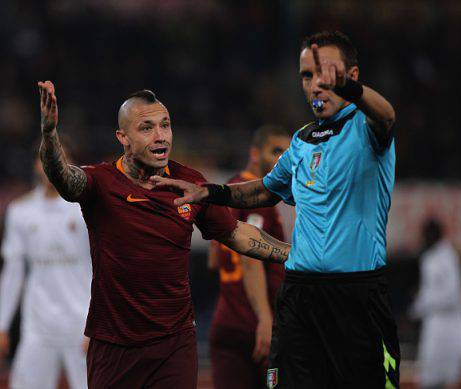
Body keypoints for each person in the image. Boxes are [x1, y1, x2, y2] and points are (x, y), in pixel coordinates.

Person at [151, 31, 400, 388]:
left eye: (326, 74)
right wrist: (210, 192)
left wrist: (350, 91)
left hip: (357, 298)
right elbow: (264, 191)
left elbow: (388, 115)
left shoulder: (368, 129)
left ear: (352, 76)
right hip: (300, 298)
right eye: (307, 76)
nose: (316, 85)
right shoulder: (301, 141)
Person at [36, 80, 290, 389]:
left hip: (174, 344)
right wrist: (50, 135)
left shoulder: (189, 182)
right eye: (147, 128)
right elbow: (63, 177)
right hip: (114, 345)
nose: (161, 137)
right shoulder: (101, 182)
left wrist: (297, 255)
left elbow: (235, 233)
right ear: (123, 138)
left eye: (165, 126)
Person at [209, 125, 291, 389]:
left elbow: (213, 258)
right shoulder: (258, 197)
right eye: (276, 151)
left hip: (225, 319)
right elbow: (251, 257)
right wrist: (265, 319)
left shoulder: (229, 190)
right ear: (255, 153)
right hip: (255, 325)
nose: (283, 159)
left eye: (288, 153)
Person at [0, 153, 91, 389]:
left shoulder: (86, 210)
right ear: (36, 164)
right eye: (44, 158)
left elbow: (104, 267)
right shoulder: (21, 211)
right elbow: (13, 272)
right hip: (38, 326)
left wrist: (100, 324)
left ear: (70, 164)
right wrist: (2, 324)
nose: (50, 165)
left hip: (81, 324)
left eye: (58, 158)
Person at [410, 218, 461, 389]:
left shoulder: (447, 256)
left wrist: (419, 306)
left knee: (448, 378)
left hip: (453, 322)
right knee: (427, 378)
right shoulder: (429, 258)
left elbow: (451, 295)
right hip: (436, 321)